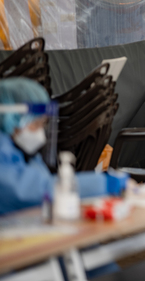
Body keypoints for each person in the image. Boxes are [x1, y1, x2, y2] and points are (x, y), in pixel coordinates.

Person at [0, 78, 128, 215]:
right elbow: (36, 190)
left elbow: (44, 181)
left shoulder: (20, 152)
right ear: (10, 118)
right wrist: (107, 184)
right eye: (35, 125)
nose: (41, 135)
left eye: (43, 125)